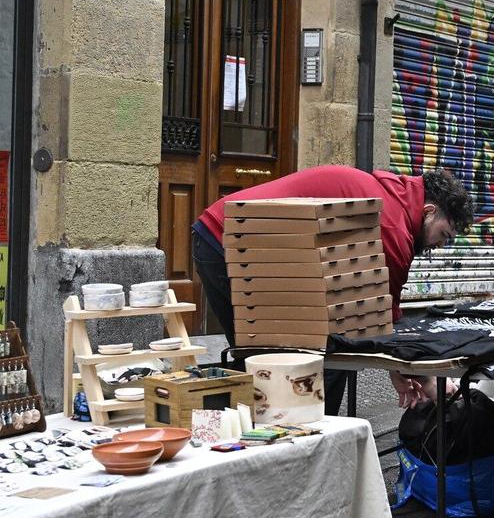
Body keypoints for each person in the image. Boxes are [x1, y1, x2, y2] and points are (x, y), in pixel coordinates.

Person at [192, 162, 470, 410]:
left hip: (251, 244)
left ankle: (293, 432)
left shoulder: (393, 195)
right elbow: (383, 322)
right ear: (428, 211)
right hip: (225, 239)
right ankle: (286, 438)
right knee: (262, 354)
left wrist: (400, 371)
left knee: (302, 352)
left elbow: (374, 321)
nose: (440, 245)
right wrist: (426, 378)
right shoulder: (393, 227)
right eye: (444, 235)